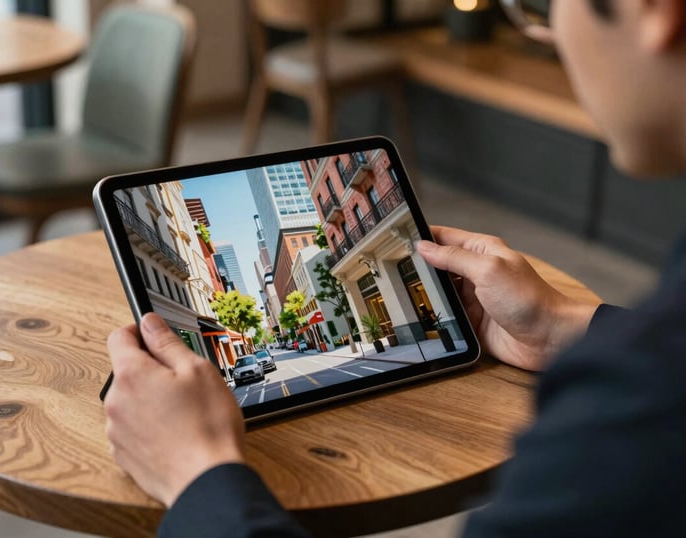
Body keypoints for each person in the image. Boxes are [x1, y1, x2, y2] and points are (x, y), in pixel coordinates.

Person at [103, 0, 686, 536]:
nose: (551, 30)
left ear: (653, 10)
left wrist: (198, 477)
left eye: (542, 6)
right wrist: (561, 322)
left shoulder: (632, 414)